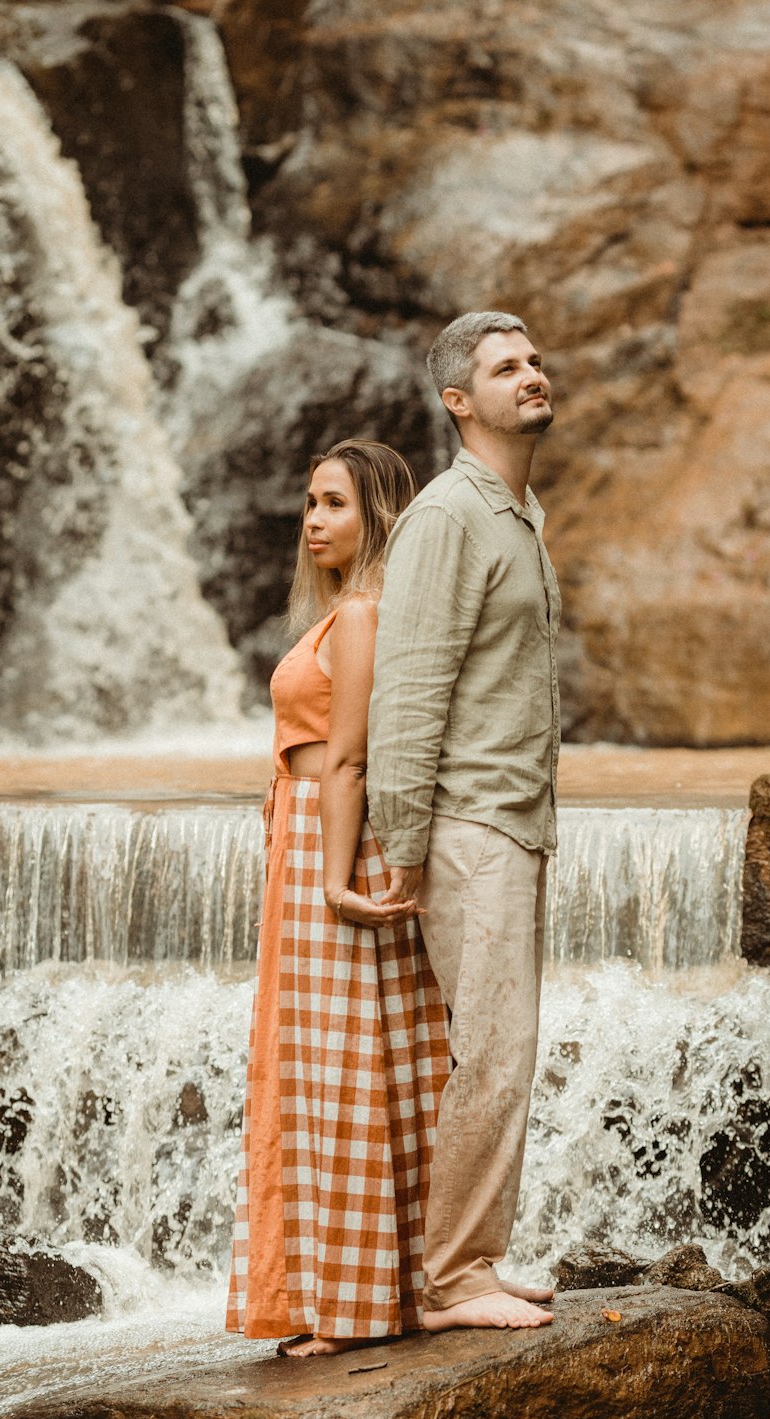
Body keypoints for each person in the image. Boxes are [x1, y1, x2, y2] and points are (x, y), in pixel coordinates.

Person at [226, 438, 451, 1357]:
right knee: (351, 1070)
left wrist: (328, 872)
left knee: (343, 1074)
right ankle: (364, 1291)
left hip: (336, 848)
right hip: (314, 840)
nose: (314, 521)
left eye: (334, 504)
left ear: (379, 516)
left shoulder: (361, 615)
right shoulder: (351, 615)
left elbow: (354, 755)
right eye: (309, 504)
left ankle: (352, 1309)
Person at [367, 311, 561, 1332]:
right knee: (490, 1050)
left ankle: (473, 1257)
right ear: (457, 401)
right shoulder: (447, 515)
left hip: (515, 825)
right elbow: (408, 687)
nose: (531, 374)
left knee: (505, 1050)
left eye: (532, 360)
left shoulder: (515, 513)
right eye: (504, 368)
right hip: (468, 826)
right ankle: (451, 1283)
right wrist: (401, 847)